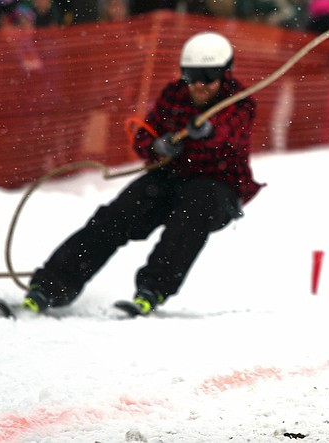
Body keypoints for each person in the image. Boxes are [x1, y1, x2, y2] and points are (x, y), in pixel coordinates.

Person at [21, 32, 263, 315]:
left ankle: (153, 289)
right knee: (115, 216)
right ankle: (52, 286)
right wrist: (157, 146)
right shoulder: (174, 94)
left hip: (217, 186)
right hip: (170, 177)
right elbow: (144, 136)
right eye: (192, 75)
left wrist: (208, 132)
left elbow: (230, 135)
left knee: (191, 213)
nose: (199, 85)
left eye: (208, 76)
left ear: (225, 73)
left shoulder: (239, 102)